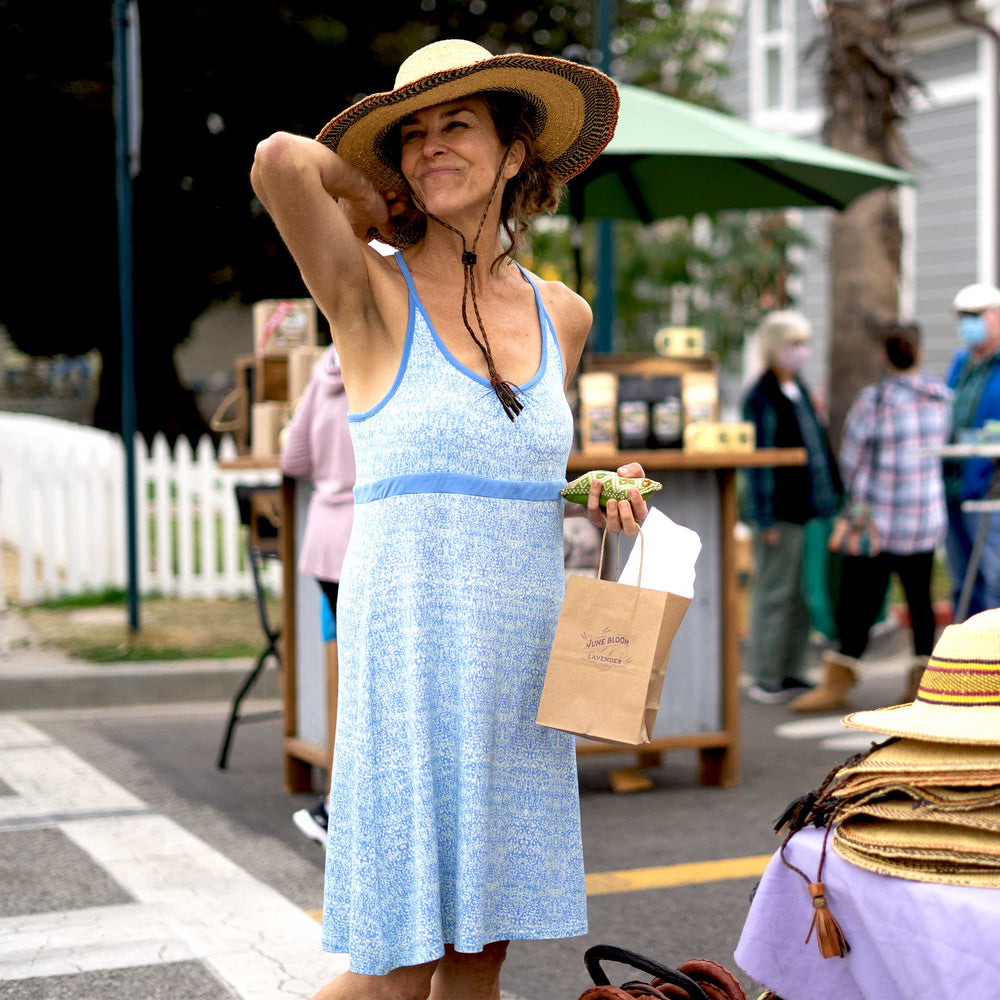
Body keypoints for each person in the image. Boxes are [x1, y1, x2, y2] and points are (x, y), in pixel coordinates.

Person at [251, 38, 646, 1000]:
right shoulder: (367, 289)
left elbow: (496, 459)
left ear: (516, 153)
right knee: (396, 963)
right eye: (414, 133)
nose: (432, 146)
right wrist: (380, 190)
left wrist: (587, 487)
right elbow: (276, 159)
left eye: (457, 126)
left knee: (482, 952)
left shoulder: (567, 316)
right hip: (411, 663)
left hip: (518, 662)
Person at [789, 323, 951, 711]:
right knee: (920, 603)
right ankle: (922, 686)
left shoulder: (874, 402)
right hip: (924, 520)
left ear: (884, 356)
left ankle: (839, 680)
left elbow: (851, 461)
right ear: (920, 354)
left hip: (877, 524)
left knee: (857, 603)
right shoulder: (940, 398)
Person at [741, 310, 841, 705]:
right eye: (793, 343)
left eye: (805, 343)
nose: (802, 351)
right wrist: (762, 515)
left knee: (801, 594)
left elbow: (818, 447)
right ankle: (766, 674)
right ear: (775, 347)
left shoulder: (800, 388)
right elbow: (759, 461)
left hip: (809, 510)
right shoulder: (762, 396)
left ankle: (792, 670)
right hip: (779, 513)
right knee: (774, 592)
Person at [279, 344, 356, 847]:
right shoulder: (385, 359)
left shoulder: (322, 371)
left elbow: (293, 457)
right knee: (372, 684)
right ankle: (338, 809)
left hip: (324, 540)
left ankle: (338, 806)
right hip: (365, 538)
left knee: (352, 677)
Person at [944, 282, 1000, 620]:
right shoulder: (960, 363)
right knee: (962, 581)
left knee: (994, 578)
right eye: (963, 316)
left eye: (975, 316)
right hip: (954, 485)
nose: (968, 323)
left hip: (992, 488)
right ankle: (964, 664)